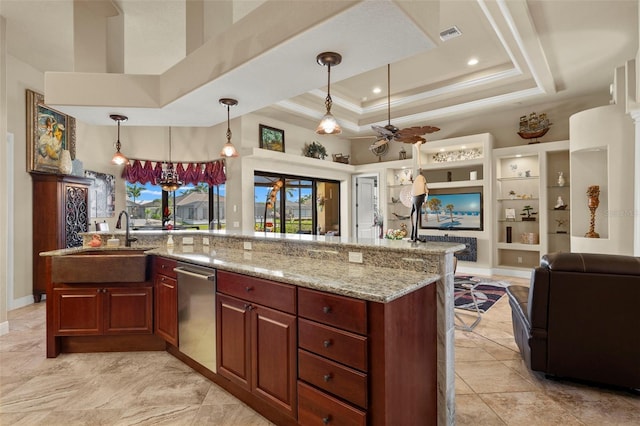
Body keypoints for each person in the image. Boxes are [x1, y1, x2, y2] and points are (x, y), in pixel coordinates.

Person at [410, 171, 428, 241]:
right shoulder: (420, 181)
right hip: (416, 198)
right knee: (414, 216)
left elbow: (426, 191)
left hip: (416, 198)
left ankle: (414, 236)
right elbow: (426, 191)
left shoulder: (420, 181)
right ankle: (414, 236)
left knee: (414, 216)